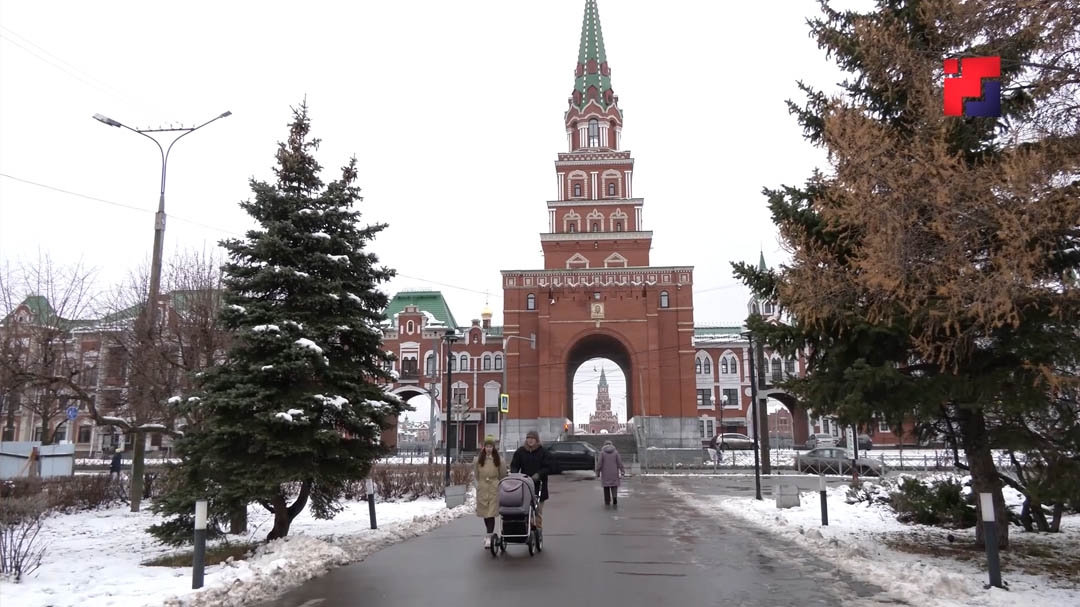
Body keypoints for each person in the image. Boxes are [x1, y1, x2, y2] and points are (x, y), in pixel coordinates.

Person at [509, 430, 550, 529]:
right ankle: (529, 529)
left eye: (532, 438)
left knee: (538, 511)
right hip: (524, 485)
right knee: (526, 510)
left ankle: (538, 531)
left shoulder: (543, 452)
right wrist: (516, 475)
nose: (530, 440)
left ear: (536, 440)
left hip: (539, 486)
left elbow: (548, 467)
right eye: (528, 438)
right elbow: (514, 465)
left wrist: (539, 475)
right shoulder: (520, 452)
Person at [474, 435, 506, 548]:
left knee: (491, 513)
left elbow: (502, 475)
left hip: (494, 488)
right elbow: (476, 475)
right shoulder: (478, 460)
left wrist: (496, 483)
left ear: (494, 447)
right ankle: (489, 534)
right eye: (487, 446)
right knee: (485, 513)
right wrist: (480, 485)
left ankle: (489, 536)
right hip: (483, 488)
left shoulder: (499, 460)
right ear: (483, 447)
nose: (489, 449)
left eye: (491, 446)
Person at [595, 439, 625, 506]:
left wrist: (597, 472)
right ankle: (614, 498)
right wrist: (622, 471)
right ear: (612, 444)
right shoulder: (615, 452)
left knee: (606, 487)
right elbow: (619, 462)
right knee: (614, 486)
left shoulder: (602, 453)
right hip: (614, 472)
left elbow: (599, 463)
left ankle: (607, 501)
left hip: (605, 473)